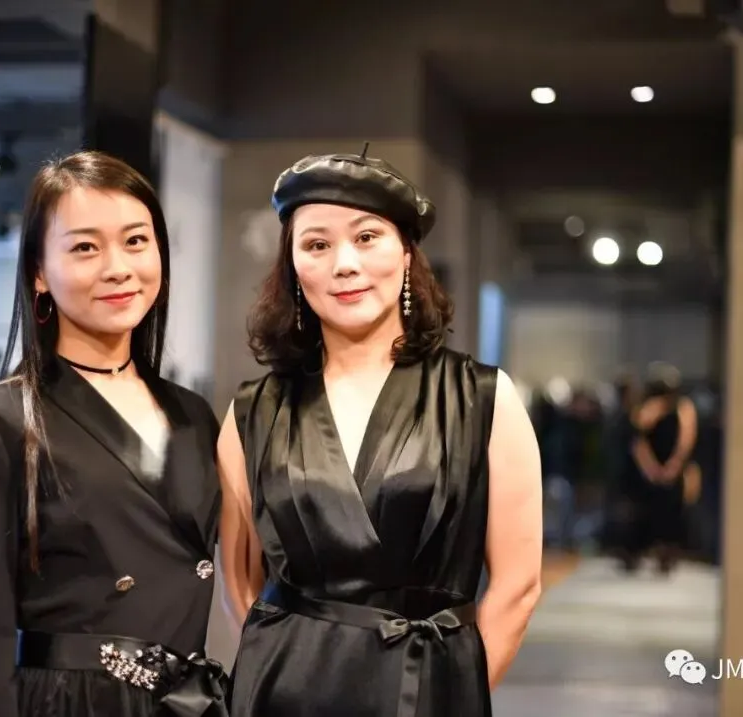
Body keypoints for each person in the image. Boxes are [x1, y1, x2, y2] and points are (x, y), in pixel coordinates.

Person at [218, 148, 544, 717]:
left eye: (367, 237)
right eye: (317, 245)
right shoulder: (253, 410)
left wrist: (453, 693)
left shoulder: (483, 398)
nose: (345, 264)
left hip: (428, 692)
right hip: (284, 692)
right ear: (293, 266)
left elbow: (517, 587)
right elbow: (240, 583)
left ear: (406, 251)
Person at [0, 151, 226, 717]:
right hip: (70, 703)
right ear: (38, 272)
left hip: (184, 702)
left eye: (136, 241)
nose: (118, 268)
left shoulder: (194, 415)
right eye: (85, 248)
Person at [629, 362, 699, 575]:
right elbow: (639, 439)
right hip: (651, 472)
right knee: (646, 512)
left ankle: (668, 554)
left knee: (673, 514)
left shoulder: (683, 407)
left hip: (674, 472)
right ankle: (642, 550)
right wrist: (651, 468)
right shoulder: (649, 408)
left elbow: (686, 438)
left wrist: (674, 465)